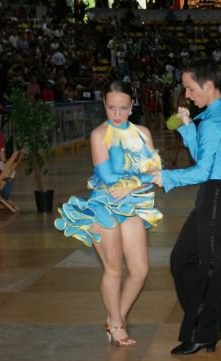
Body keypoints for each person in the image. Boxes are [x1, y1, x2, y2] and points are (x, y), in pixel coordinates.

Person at [54, 80, 163, 347]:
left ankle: (115, 317)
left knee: (139, 270)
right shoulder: (98, 134)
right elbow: (106, 175)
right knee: (113, 268)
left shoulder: (143, 133)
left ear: (132, 106)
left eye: (123, 108)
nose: (117, 114)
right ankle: (116, 325)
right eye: (112, 107)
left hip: (131, 203)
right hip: (104, 204)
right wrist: (138, 180)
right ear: (104, 104)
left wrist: (137, 183)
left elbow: (154, 173)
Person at [151, 58, 221, 356]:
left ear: (208, 85)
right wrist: (188, 127)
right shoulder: (217, 112)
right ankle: (216, 315)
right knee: (181, 259)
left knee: (210, 267)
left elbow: (203, 170)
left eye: (190, 89)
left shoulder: (216, 119)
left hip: (216, 194)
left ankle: (204, 332)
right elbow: (204, 154)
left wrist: (166, 177)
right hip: (213, 195)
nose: (187, 95)